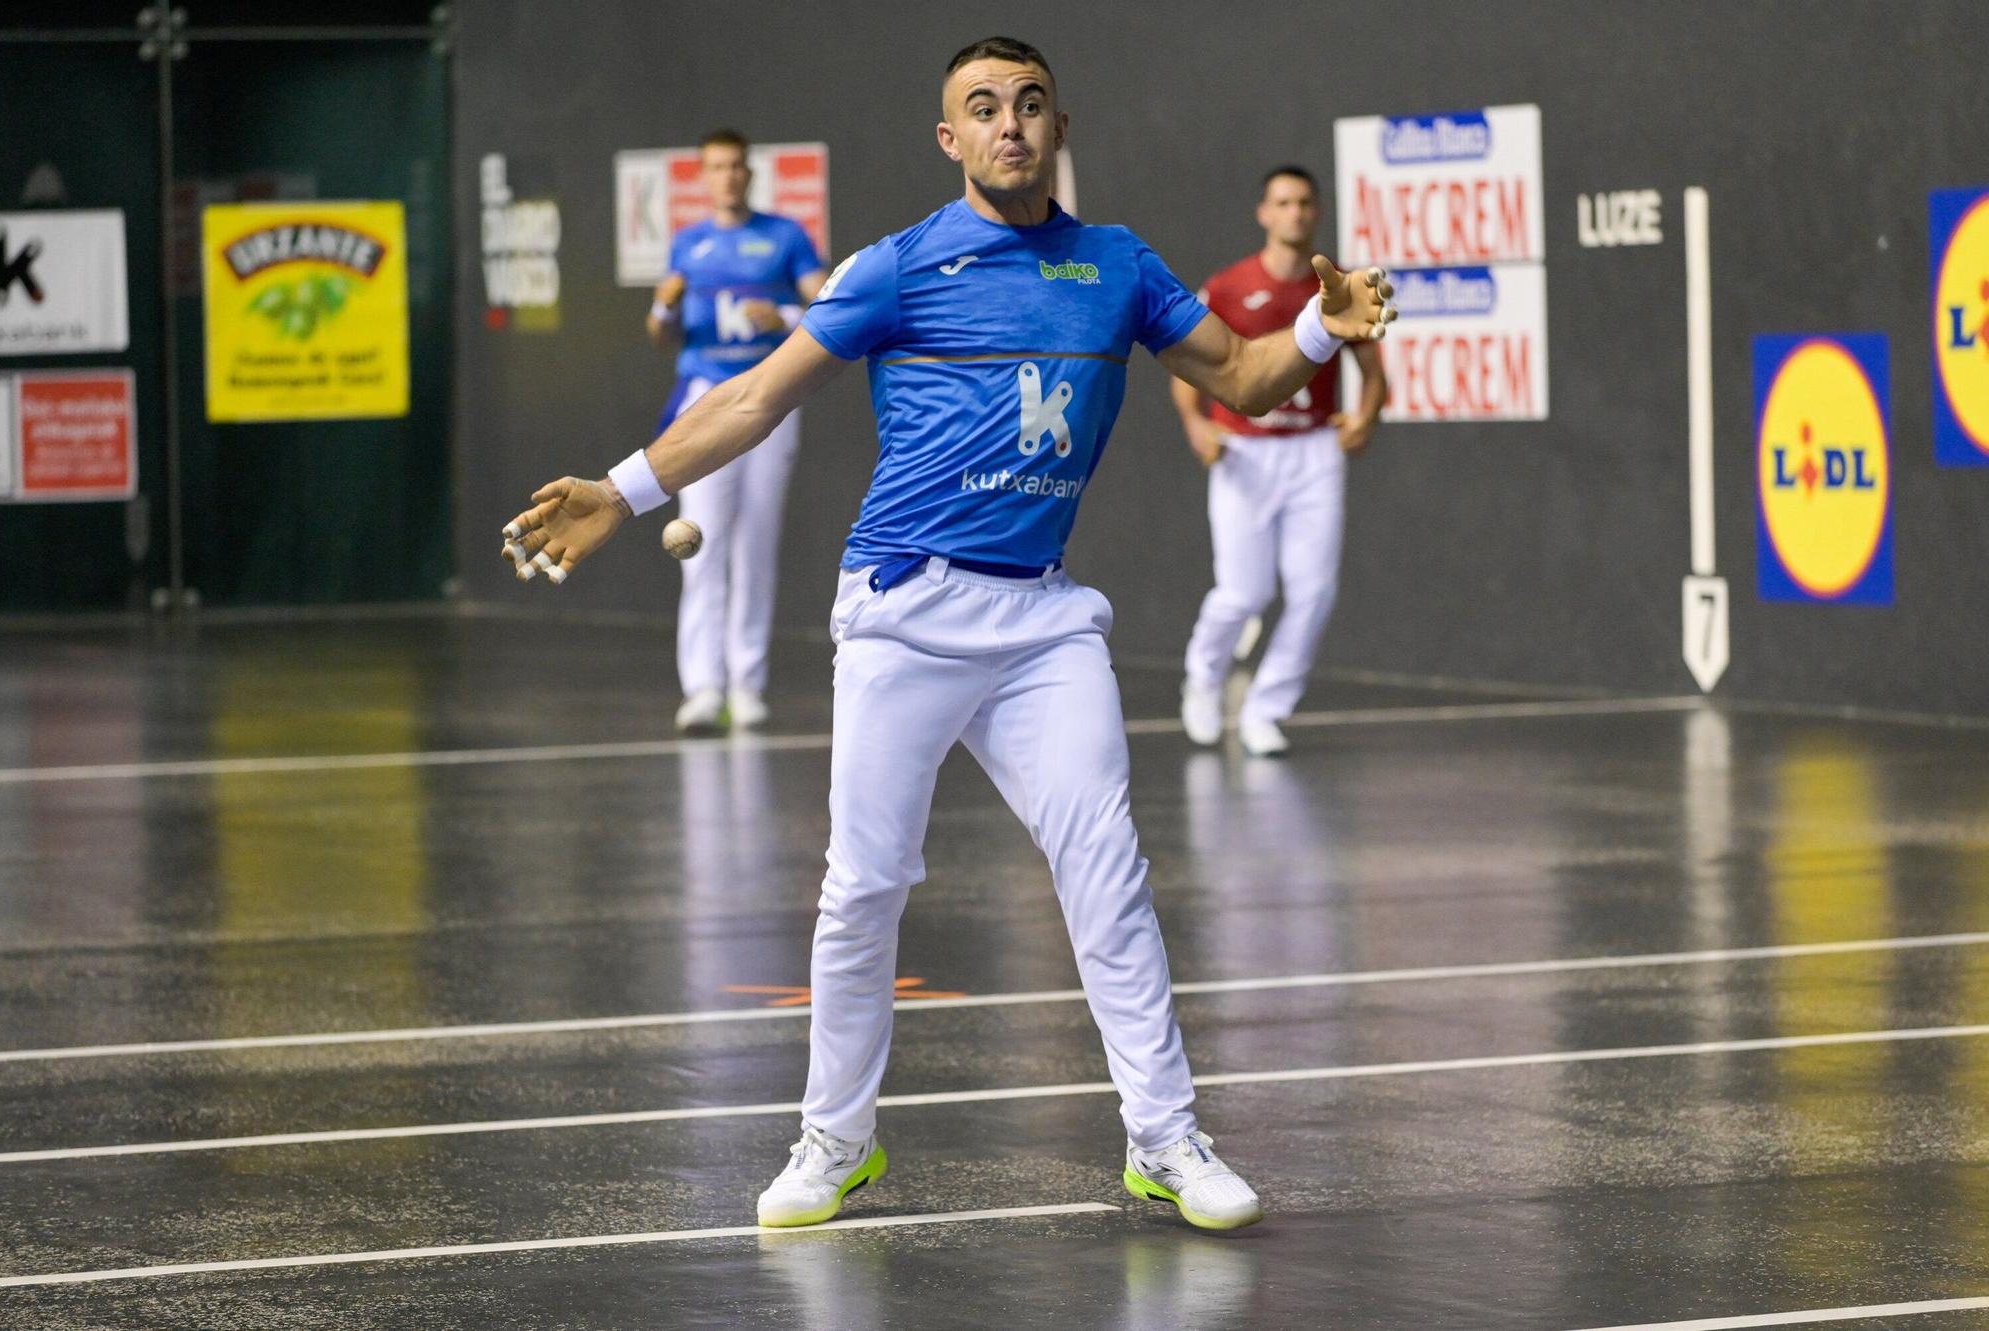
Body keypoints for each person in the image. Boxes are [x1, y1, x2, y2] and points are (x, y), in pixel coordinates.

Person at [502, 36, 1393, 1232]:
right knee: (862, 884)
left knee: (1106, 866)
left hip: (1040, 620)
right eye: (982, 108)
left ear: (1058, 127)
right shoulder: (898, 267)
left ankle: (1164, 1137)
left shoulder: (1116, 265)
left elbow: (1239, 372)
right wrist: (623, 490)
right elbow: (755, 394)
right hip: (901, 613)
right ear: (950, 138)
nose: (1007, 124)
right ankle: (835, 1139)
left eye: (1027, 104)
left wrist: (1326, 332)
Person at [1174, 166, 1388, 757]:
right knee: (1243, 594)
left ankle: (1266, 709)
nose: (1294, 212)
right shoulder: (1228, 286)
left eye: (1303, 203)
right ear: (1264, 213)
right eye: (1283, 202)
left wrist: (1365, 418)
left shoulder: (1338, 288)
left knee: (1314, 592)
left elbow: (1373, 374)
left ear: (1317, 213)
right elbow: (1189, 367)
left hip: (1314, 452)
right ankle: (1203, 680)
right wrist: (1196, 424)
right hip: (1243, 450)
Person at [646, 129, 829, 732]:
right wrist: (664, 307)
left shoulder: (785, 236)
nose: (727, 175)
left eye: (736, 166)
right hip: (704, 401)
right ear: (704, 176)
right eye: (717, 167)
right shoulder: (688, 244)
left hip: (770, 398)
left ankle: (747, 684)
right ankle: (703, 688)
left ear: (749, 173)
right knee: (698, 541)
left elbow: (829, 306)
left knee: (756, 544)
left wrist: (783, 315)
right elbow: (664, 333)